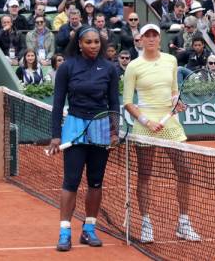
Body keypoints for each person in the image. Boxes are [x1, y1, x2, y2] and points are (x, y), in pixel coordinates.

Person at [123, 23, 200, 244]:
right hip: (145, 123)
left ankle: (183, 223)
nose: (151, 39)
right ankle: (146, 223)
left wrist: (177, 103)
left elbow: (174, 91)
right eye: (146, 35)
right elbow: (128, 102)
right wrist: (147, 121)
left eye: (154, 35)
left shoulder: (171, 60)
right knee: (145, 175)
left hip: (170, 124)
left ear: (159, 39)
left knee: (185, 171)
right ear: (140, 39)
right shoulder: (133, 67)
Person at [47, 25, 119, 252]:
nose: (93, 46)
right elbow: (58, 103)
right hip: (75, 126)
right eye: (88, 42)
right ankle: (65, 232)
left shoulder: (109, 69)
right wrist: (56, 136)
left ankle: (89, 230)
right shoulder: (67, 68)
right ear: (79, 43)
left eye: (96, 42)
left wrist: (114, 130)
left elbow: (113, 103)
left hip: (100, 129)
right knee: (71, 181)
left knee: (95, 182)